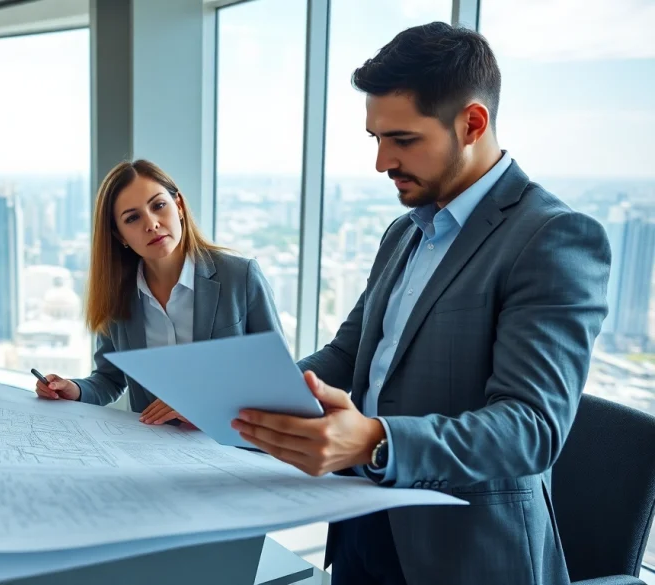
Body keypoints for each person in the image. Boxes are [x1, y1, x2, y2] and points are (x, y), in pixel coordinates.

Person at [230, 22, 611, 585]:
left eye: (402, 140)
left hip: (465, 553)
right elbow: (348, 353)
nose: (382, 162)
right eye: (376, 139)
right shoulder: (405, 232)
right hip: (362, 521)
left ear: (472, 124)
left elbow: (531, 428)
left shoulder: (552, 237)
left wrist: (378, 441)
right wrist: (233, 400)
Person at [35, 159, 284, 424]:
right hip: (153, 453)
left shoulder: (240, 276)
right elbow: (110, 379)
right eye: (132, 218)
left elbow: (277, 379)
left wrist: (207, 405)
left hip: (231, 450)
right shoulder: (117, 295)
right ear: (120, 236)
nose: (151, 224)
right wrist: (75, 390)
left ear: (179, 206)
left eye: (158, 206)